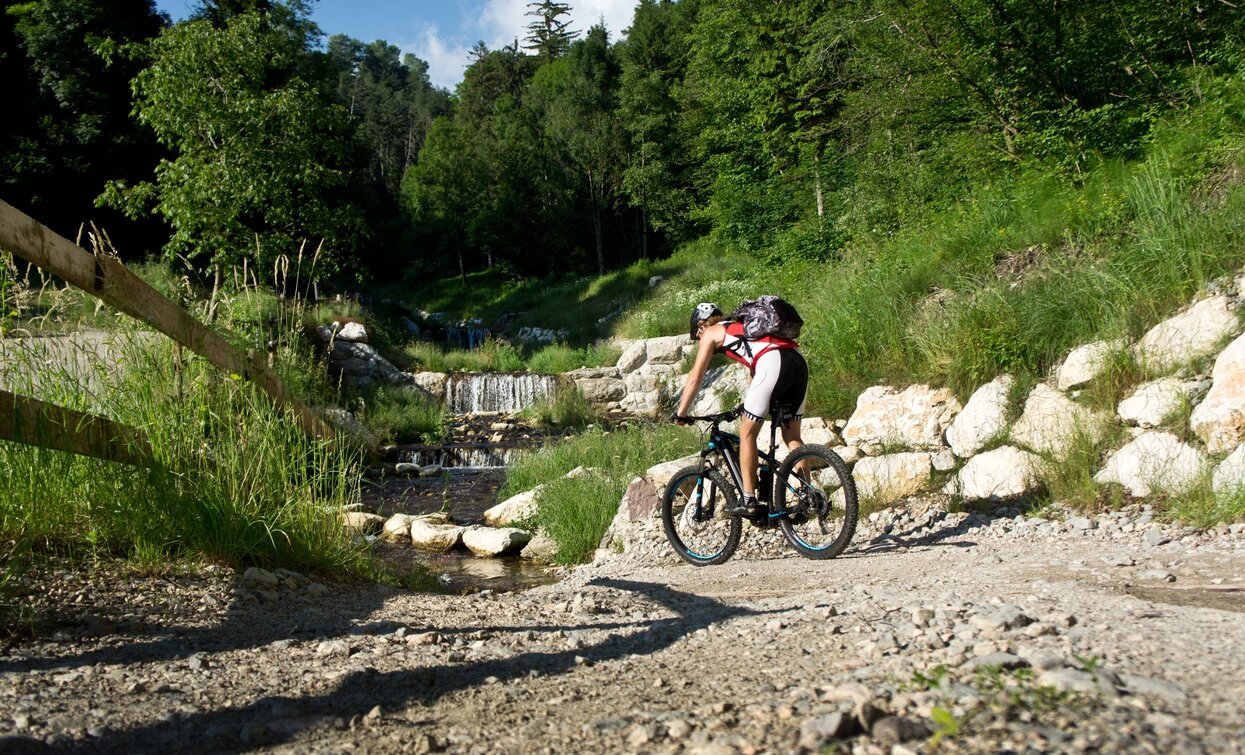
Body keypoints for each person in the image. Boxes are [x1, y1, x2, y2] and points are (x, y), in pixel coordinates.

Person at [673, 301, 809, 517]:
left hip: (771, 362)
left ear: (701, 326)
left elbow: (696, 377)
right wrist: (747, 404)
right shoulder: (745, 329)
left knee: (746, 433)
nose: (700, 340)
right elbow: (755, 371)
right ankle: (808, 497)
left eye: (697, 336)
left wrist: (681, 413)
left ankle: (748, 499)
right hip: (797, 361)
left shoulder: (711, 332)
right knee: (792, 436)